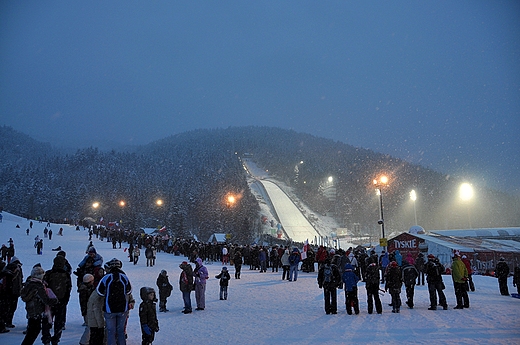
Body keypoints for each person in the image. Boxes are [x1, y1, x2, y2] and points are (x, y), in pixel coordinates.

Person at [96, 258, 132, 345]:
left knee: (111, 331)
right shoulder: (124, 277)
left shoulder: (106, 277)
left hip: (109, 309)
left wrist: (108, 293)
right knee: (120, 331)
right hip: (122, 308)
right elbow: (129, 291)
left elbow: (99, 292)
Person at [20, 265, 58, 345]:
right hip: (36, 310)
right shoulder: (38, 286)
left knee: (31, 332)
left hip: (31, 310)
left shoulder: (29, 283)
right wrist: (54, 301)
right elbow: (45, 300)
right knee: (33, 332)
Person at [42, 254, 73, 345]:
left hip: (49, 303)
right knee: (58, 323)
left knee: (47, 322)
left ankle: (46, 339)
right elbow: (68, 289)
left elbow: (44, 288)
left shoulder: (48, 273)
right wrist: (65, 301)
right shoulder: (66, 275)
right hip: (61, 302)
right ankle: (56, 339)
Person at [2, 256, 23, 329]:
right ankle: (8, 322)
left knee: (6, 308)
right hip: (15, 292)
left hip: (7, 292)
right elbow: (19, 281)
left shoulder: (7, 269)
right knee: (12, 308)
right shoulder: (18, 269)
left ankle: (4, 322)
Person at [86, 277, 105, 345]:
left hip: (92, 321)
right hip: (96, 323)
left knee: (93, 337)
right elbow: (97, 311)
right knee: (97, 339)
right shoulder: (99, 296)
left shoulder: (95, 292)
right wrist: (101, 325)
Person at [78, 274, 96, 345]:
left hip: (88, 310)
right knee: (90, 327)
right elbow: (85, 302)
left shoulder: (86, 288)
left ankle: (87, 340)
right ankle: (84, 341)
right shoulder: (86, 290)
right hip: (89, 311)